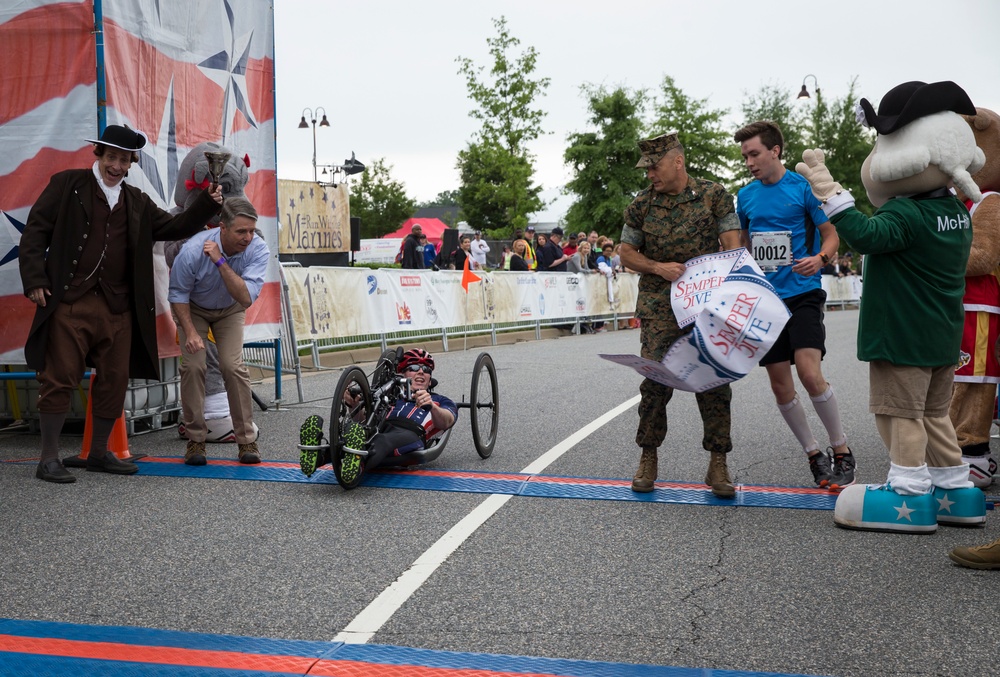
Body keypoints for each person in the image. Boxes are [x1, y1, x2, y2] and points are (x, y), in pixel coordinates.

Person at [19, 124, 223, 483]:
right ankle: (48, 458)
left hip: (118, 308)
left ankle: (98, 453)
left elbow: (175, 227)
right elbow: (35, 230)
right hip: (70, 302)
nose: (116, 165)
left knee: (115, 379)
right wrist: (35, 279)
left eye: (124, 159)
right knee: (60, 376)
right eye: (111, 156)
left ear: (131, 163)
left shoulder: (137, 202)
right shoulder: (67, 185)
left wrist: (208, 201)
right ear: (98, 155)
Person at [619, 132, 742, 498]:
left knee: (714, 380)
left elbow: (733, 241)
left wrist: (726, 275)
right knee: (655, 380)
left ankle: (718, 461)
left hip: (706, 303)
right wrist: (657, 267)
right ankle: (648, 455)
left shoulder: (714, 194)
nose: (650, 175)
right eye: (646, 169)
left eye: (654, 167)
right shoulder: (641, 205)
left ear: (677, 161)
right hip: (660, 305)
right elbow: (626, 253)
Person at [734, 120, 856, 490]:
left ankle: (841, 450)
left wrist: (820, 258)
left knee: (809, 372)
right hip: (766, 301)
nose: (749, 162)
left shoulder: (802, 188)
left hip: (803, 292)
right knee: (780, 387)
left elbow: (831, 234)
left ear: (775, 151)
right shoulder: (746, 196)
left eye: (754, 153)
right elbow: (744, 242)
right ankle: (813, 455)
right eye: (744, 156)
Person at [168, 197, 270, 466]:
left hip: (230, 308)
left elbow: (246, 298)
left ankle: (246, 440)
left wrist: (220, 261)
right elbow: (177, 293)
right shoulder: (191, 250)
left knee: (232, 366)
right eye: (241, 231)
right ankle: (195, 440)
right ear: (222, 228)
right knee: (194, 366)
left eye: (251, 230)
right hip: (194, 308)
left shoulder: (258, 249)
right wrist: (189, 332)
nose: (248, 237)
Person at [332, 348, 458, 489]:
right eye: (414, 367)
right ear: (401, 375)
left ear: (430, 381)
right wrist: (353, 404)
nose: (421, 371)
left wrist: (432, 407)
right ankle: (319, 453)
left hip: (411, 434)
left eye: (426, 369)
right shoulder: (389, 396)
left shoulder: (440, 400)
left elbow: (447, 421)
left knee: (382, 440)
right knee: (355, 430)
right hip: (381, 427)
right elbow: (363, 420)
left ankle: (358, 466)